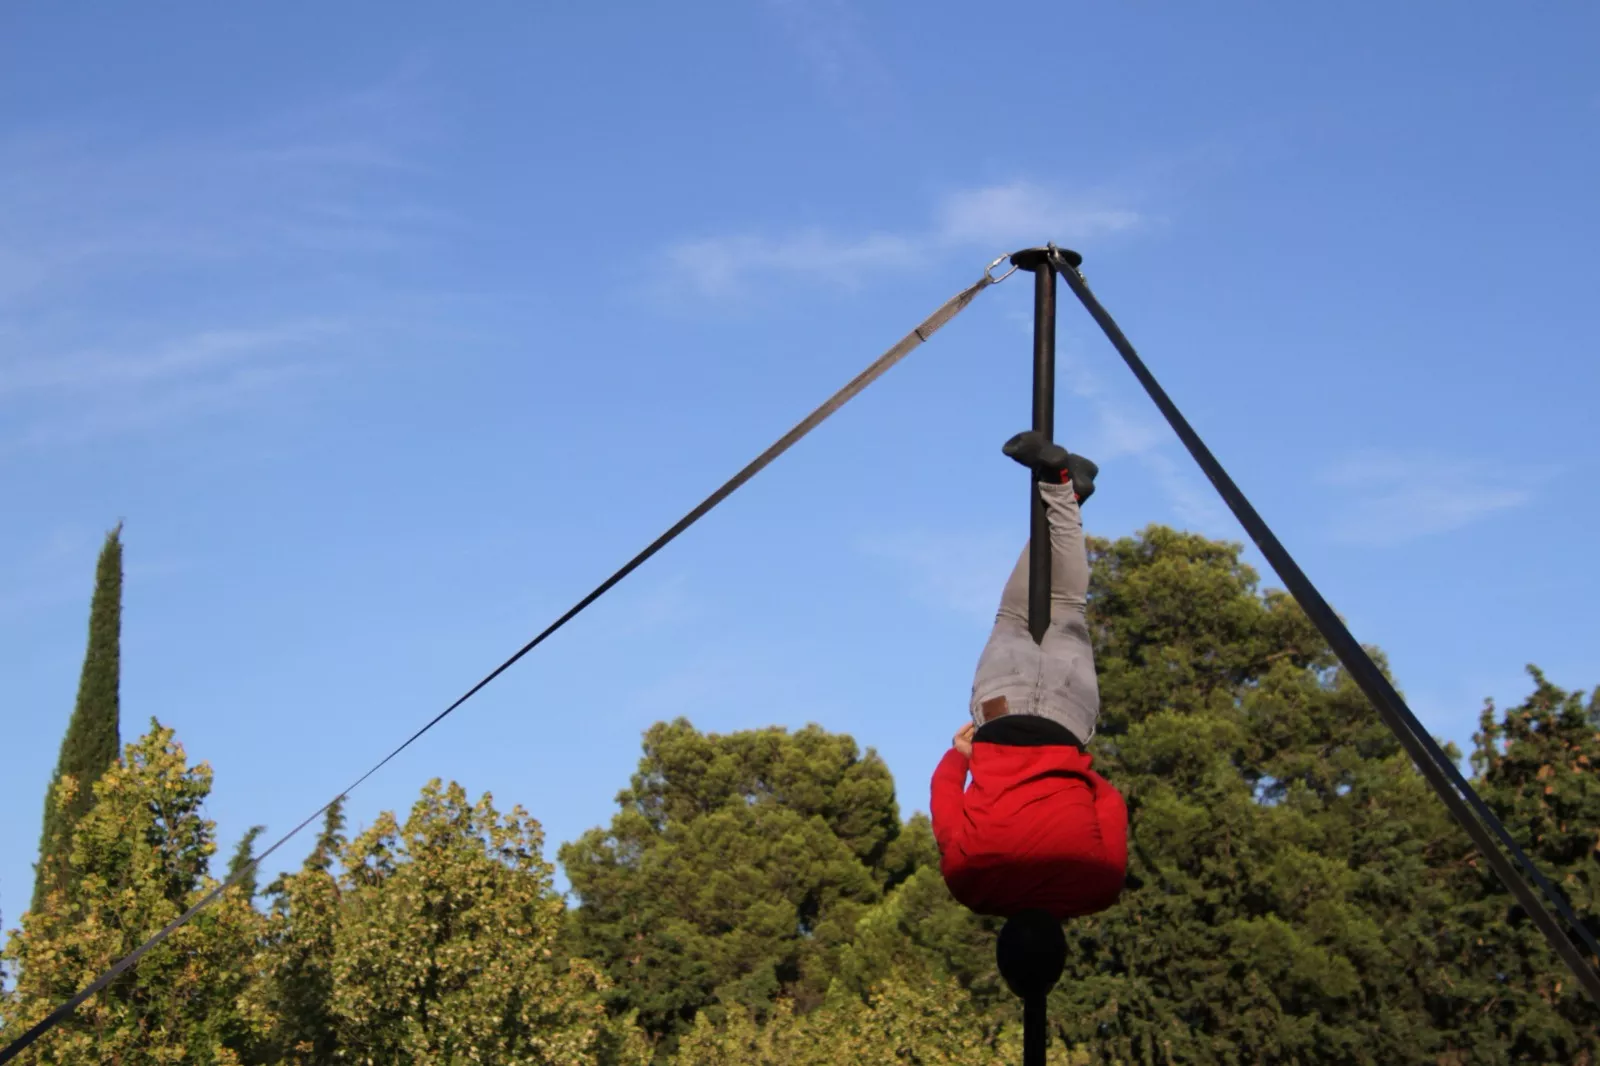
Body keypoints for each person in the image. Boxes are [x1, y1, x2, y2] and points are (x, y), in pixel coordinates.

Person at [930, 431, 1128, 920]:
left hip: (1068, 720)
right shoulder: (969, 886)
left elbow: (1110, 803)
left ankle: (1067, 491)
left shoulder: (1096, 892)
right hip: (1002, 714)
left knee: (1066, 606)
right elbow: (945, 803)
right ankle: (1063, 488)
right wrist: (960, 757)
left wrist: (1074, 772)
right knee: (1014, 615)